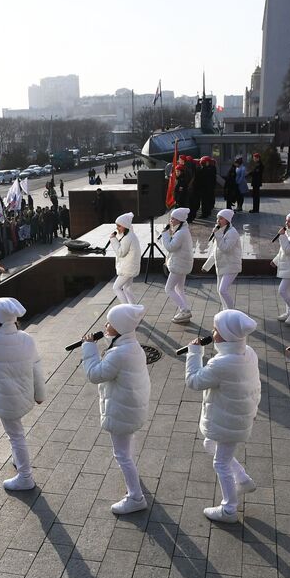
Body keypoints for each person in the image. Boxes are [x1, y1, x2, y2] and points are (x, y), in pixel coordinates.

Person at [184, 309, 261, 524]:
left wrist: (194, 353)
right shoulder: (248, 353)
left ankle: (229, 509)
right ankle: (243, 479)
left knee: (220, 463)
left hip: (228, 421)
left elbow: (194, 381)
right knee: (210, 444)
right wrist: (254, 409)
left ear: (227, 335)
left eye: (216, 330)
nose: (213, 333)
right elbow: (257, 385)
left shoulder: (222, 363)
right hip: (239, 416)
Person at [0, 297, 46, 492]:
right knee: (16, 433)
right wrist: (40, 393)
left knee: (16, 435)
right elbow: (36, 366)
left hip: (5, 398)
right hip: (24, 394)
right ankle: (17, 458)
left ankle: (25, 477)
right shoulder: (26, 338)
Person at [81, 303, 152, 515]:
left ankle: (136, 497)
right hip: (131, 408)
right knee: (127, 448)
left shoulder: (118, 354)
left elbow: (94, 374)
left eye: (110, 323)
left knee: (121, 455)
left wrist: (89, 347)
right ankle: (134, 479)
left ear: (120, 328)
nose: (105, 325)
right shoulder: (131, 346)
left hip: (122, 412)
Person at [160, 207, 194, 324]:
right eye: (171, 218)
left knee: (168, 289)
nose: (171, 221)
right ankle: (185, 309)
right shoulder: (181, 231)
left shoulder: (181, 233)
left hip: (179, 265)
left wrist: (165, 234)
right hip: (182, 264)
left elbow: (170, 247)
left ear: (180, 220)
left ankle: (184, 310)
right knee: (179, 288)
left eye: (173, 219)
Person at [202, 208, 242, 310]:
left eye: (221, 218)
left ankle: (231, 311)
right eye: (217, 218)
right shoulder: (220, 232)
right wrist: (206, 266)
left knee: (223, 290)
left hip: (231, 265)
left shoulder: (232, 232)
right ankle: (226, 311)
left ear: (227, 220)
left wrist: (218, 235)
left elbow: (225, 248)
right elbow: (215, 251)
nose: (218, 221)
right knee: (219, 290)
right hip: (221, 265)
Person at [110, 213, 141, 305]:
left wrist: (113, 239)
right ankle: (133, 309)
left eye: (119, 226)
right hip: (130, 267)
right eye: (117, 226)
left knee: (116, 287)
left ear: (125, 226)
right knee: (127, 288)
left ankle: (127, 309)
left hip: (127, 268)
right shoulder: (129, 235)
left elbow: (121, 252)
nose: (117, 228)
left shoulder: (128, 237)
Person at [193, 155, 218, 221]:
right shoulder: (212, 168)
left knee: (204, 202)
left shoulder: (203, 170)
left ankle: (205, 214)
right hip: (209, 188)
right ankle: (207, 212)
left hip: (204, 189)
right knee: (208, 201)